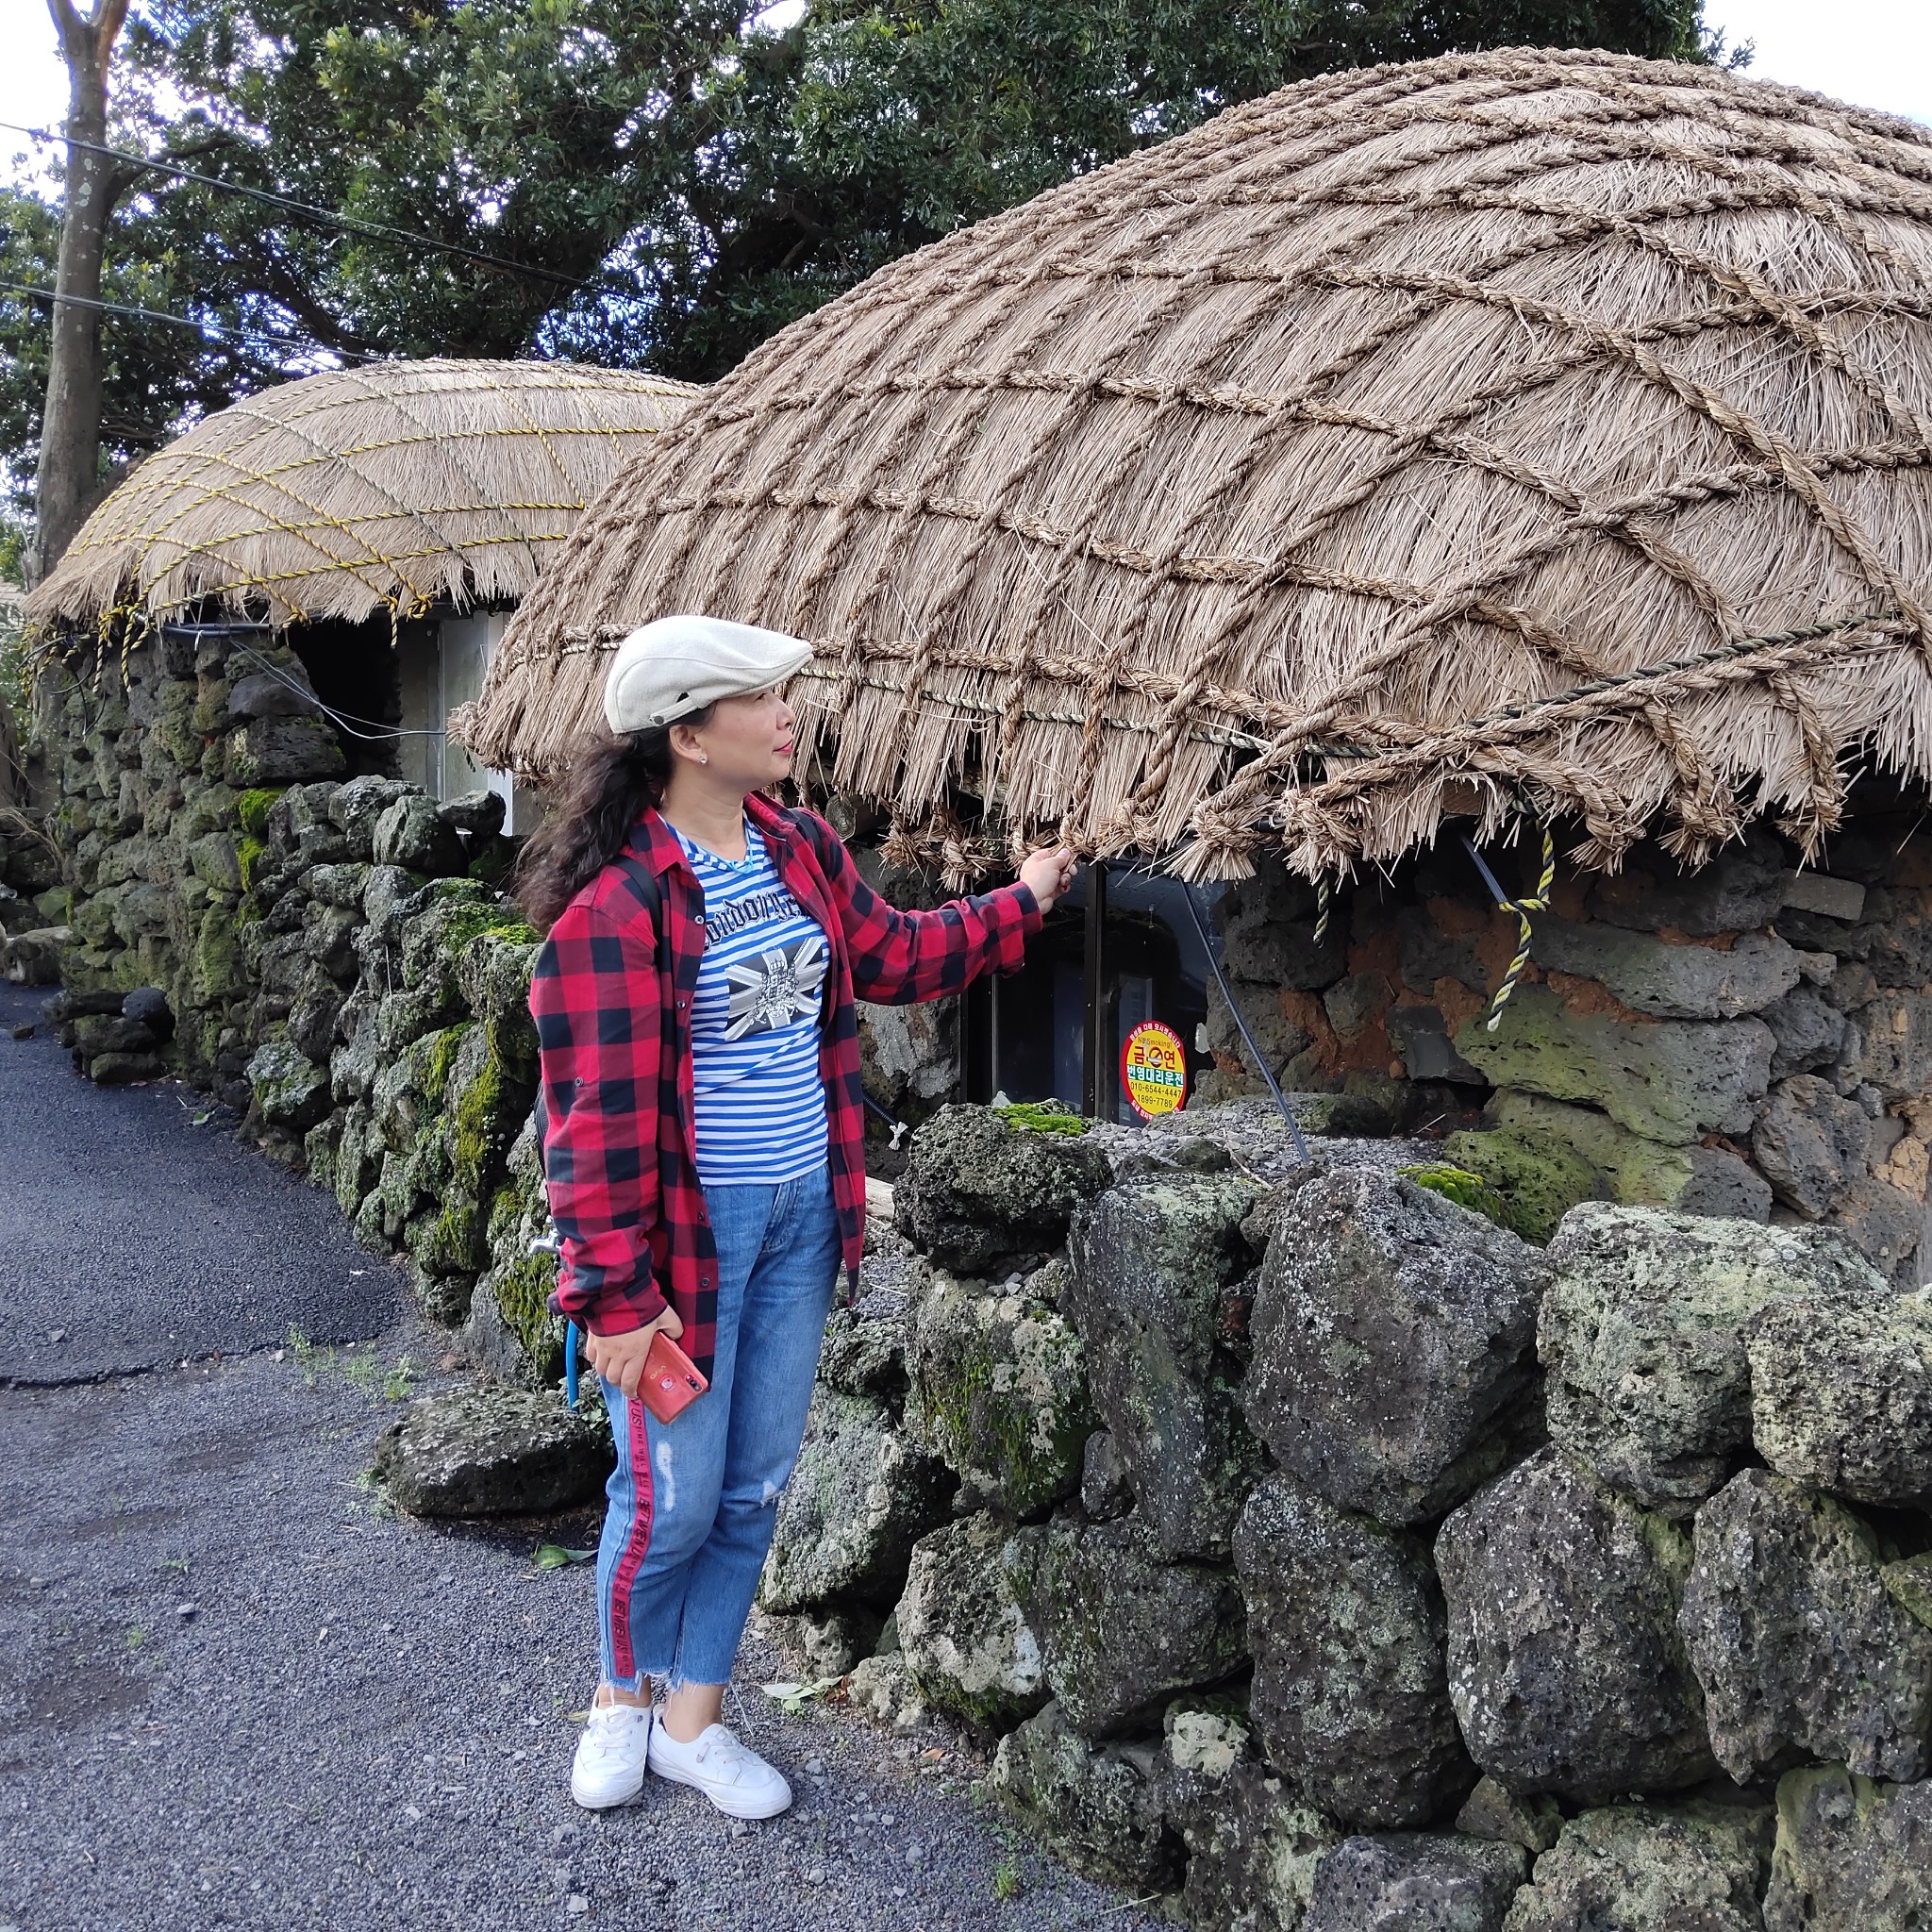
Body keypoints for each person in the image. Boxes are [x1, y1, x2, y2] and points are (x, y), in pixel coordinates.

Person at [516, 613, 1075, 1821]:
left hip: (803, 1220)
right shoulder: (617, 909)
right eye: (762, 700)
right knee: (667, 1493)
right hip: (685, 1236)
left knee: (757, 1485)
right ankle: (620, 1696)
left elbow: (893, 953)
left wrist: (1018, 900)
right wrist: (611, 1294)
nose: (787, 716)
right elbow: (589, 1128)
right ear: (687, 735)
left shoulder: (797, 846)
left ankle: (693, 1718)